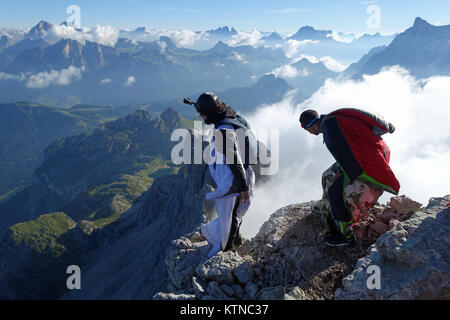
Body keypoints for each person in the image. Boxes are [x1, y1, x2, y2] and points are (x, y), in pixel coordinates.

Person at [299, 108, 400, 247]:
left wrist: (347, 174)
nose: (309, 132)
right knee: (327, 175)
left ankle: (345, 235)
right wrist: (387, 126)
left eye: (307, 128)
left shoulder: (329, 126)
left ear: (311, 124)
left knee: (336, 192)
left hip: (367, 162)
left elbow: (346, 155)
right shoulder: (332, 119)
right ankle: (325, 207)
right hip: (373, 152)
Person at [184, 92, 256, 257]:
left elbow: (234, 161)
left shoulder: (223, 131)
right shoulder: (232, 116)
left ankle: (226, 248)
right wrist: (194, 103)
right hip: (238, 174)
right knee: (236, 211)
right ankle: (236, 239)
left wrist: (242, 187)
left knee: (231, 214)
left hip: (237, 177)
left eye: (203, 114)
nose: (202, 118)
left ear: (211, 112)